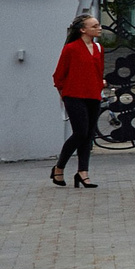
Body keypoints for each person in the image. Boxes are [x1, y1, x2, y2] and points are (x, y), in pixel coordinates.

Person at [49, 13, 105, 189]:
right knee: (80, 132)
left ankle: (83, 172)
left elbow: (98, 71)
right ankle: (59, 167)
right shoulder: (71, 49)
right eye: (94, 26)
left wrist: (100, 84)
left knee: (88, 134)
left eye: (98, 25)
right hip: (74, 95)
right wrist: (64, 93)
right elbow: (59, 75)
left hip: (93, 95)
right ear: (83, 30)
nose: (99, 28)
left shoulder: (98, 48)